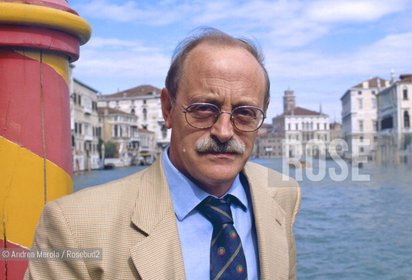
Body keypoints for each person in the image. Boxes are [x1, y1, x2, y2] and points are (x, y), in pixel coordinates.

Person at [24, 28, 301, 280]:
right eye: (204, 109)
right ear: (168, 110)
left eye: (244, 113)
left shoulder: (283, 195)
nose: (224, 131)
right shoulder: (74, 228)